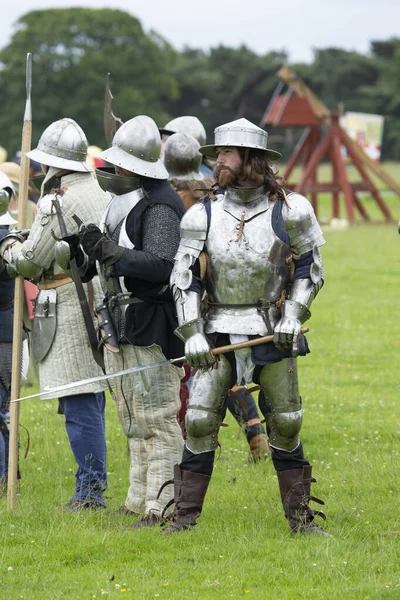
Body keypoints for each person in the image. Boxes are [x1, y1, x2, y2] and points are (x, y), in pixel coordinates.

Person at [164, 118, 329, 536]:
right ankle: (183, 521)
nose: (217, 161)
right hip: (216, 324)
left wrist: (293, 314)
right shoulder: (201, 213)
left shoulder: (292, 208)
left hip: (272, 326)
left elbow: (311, 268)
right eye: (217, 154)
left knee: (287, 421)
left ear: (250, 160)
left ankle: (301, 520)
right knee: (199, 420)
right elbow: (184, 278)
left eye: (226, 154)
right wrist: (192, 332)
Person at [78, 115, 185, 527]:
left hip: (152, 319)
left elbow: (161, 264)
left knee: (157, 415)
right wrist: (88, 251)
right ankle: (138, 499)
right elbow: (109, 257)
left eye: (121, 162)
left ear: (137, 165)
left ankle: (164, 503)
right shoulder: (127, 198)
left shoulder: (161, 203)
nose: (114, 169)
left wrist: (110, 252)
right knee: (132, 417)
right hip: (122, 318)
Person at [0, 118, 110, 510]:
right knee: (89, 399)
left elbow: (32, 262)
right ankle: (90, 484)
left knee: (80, 403)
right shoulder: (98, 188)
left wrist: (9, 245)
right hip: (94, 298)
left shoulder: (57, 199)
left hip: (67, 303)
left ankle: (91, 492)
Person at [164, 131, 269, 462]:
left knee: (215, 369)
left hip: (215, 296)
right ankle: (252, 432)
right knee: (218, 369)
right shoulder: (211, 183)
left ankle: (248, 433)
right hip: (197, 291)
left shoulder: (199, 190)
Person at [0, 171, 29, 495]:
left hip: (4, 336)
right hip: (8, 334)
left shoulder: (5, 239)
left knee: (1, 411)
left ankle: (4, 477)